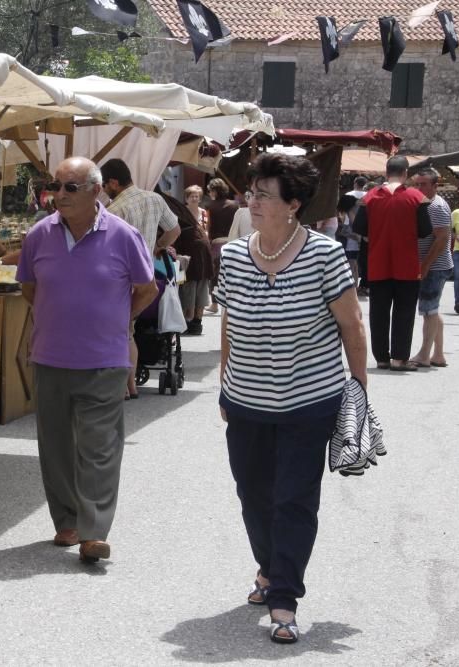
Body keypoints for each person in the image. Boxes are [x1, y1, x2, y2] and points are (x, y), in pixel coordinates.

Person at [214, 153, 367, 645]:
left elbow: (351, 324)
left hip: (310, 400)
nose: (251, 201)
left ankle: (284, 595)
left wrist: (357, 392)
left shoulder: (325, 255)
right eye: (251, 192)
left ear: (293, 205)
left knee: (293, 500)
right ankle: (268, 566)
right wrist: (224, 383)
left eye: (263, 195)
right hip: (246, 400)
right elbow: (229, 322)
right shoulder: (235, 256)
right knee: (253, 495)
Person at [17, 156, 157, 563]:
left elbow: (146, 289)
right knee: (56, 446)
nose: (59, 195)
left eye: (70, 187)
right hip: (50, 356)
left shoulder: (123, 235)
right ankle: (67, 522)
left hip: (104, 359)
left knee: (99, 448)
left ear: (97, 191)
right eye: (55, 186)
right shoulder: (38, 236)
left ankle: (94, 532)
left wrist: (117, 318)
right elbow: (29, 287)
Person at [100, 158, 180, 398]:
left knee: (120, 331)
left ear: (113, 182)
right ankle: (131, 384)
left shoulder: (115, 210)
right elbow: (174, 231)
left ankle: (124, 386)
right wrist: (157, 247)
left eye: (104, 185)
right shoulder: (155, 199)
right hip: (148, 277)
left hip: (122, 278)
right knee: (128, 331)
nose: (104, 190)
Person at [353, 156, 431, 371]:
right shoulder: (417, 197)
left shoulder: (370, 197)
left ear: (386, 172)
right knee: (404, 312)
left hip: (378, 263)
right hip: (407, 264)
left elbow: (358, 227)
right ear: (405, 173)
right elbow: (425, 231)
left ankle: (382, 359)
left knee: (378, 312)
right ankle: (399, 359)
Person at [408, 169, 453, 367]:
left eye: (424, 184)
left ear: (435, 186)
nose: (419, 188)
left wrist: (424, 265)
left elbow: (442, 239)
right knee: (432, 310)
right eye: (417, 184)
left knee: (428, 311)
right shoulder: (424, 204)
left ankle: (424, 355)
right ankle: (438, 354)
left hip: (434, 267)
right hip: (433, 266)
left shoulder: (436, 206)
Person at [174, 186, 214, 334]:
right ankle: (186, 320)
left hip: (203, 254)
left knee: (202, 287)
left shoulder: (204, 213)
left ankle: (197, 321)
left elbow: (208, 230)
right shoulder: (180, 213)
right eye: (192, 196)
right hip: (185, 253)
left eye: (197, 196)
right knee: (186, 287)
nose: (195, 198)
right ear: (186, 198)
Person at [204, 178, 238, 314]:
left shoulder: (210, 206)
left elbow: (208, 226)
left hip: (217, 243)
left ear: (214, 191)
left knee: (216, 275)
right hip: (232, 241)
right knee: (232, 273)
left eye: (210, 191)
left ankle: (214, 304)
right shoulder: (235, 205)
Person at [348, 177, 369, 295]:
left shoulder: (349, 195)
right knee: (360, 261)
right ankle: (361, 284)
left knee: (352, 260)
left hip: (351, 232)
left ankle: (353, 286)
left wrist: (356, 228)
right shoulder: (368, 195)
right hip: (366, 233)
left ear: (355, 183)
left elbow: (346, 214)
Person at [336, 194, 362, 289]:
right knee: (354, 264)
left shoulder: (352, 210)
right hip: (357, 241)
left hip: (353, 241)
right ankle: (355, 285)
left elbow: (355, 226)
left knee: (351, 263)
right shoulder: (359, 206)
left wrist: (344, 230)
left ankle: (352, 286)